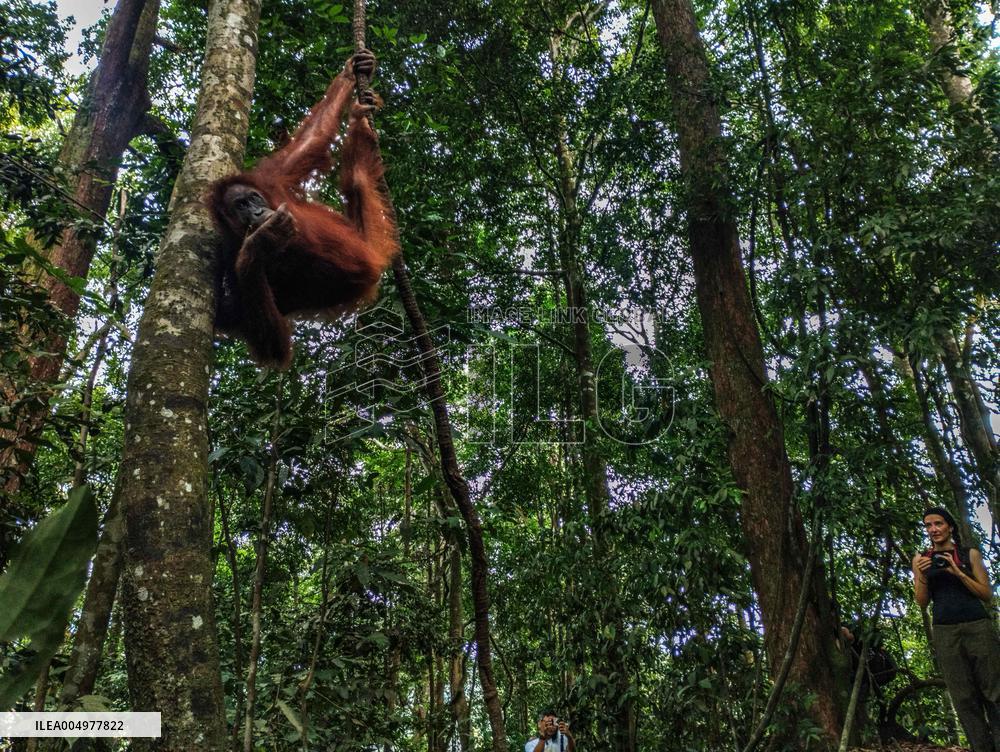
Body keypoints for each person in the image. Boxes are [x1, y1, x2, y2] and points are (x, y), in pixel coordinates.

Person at [912, 506, 1000, 751]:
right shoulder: (922, 559)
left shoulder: (968, 554)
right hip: (945, 631)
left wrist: (957, 572)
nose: (933, 529)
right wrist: (921, 574)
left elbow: (986, 595)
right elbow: (921, 602)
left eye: (938, 524)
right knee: (963, 697)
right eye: (928, 525)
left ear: (949, 526)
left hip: (977, 626)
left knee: (993, 690)